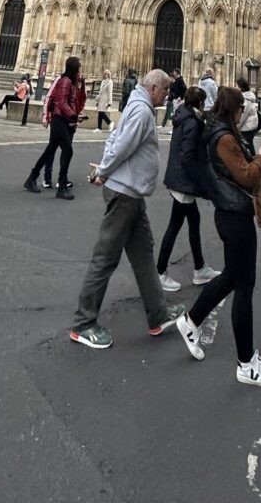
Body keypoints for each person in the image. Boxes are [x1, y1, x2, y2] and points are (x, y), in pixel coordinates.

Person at [69, 68, 184, 348]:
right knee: (105, 257)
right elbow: (121, 145)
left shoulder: (137, 104)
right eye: (166, 90)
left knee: (144, 253)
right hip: (124, 193)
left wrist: (105, 168)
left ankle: (158, 313)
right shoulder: (143, 111)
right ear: (154, 88)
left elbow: (114, 140)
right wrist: (104, 171)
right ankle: (84, 323)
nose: (168, 96)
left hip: (132, 193)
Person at [176, 85, 261, 387]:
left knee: (232, 278)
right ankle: (246, 364)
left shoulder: (222, 132)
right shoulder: (223, 137)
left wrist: (258, 156)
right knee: (244, 286)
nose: (242, 114)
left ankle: (191, 320)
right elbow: (246, 175)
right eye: (240, 110)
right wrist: (260, 159)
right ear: (232, 111)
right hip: (233, 215)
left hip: (232, 212)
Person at [157, 86, 220, 292]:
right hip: (184, 182)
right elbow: (187, 156)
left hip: (180, 179)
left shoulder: (182, 115)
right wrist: (200, 184)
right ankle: (160, 272)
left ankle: (200, 268)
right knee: (174, 226)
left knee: (193, 221)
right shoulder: (192, 122)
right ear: (200, 103)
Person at [25, 55, 86, 200]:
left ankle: (31, 178)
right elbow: (61, 102)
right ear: (74, 68)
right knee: (68, 150)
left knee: (50, 151)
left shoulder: (73, 82)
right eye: (79, 67)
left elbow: (77, 100)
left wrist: (81, 85)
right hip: (60, 120)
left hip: (65, 120)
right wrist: (73, 116)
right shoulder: (64, 81)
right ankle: (62, 186)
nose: (80, 70)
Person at [237, 76, 261, 149]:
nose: (235, 87)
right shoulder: (245, 98)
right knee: (248, 146)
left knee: (248, 147)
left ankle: (253, 159)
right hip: (248, 127)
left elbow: (242, 117)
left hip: (247, 128)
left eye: (236, 85)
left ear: (240, 87)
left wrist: (235, 129)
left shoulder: (246, 100)